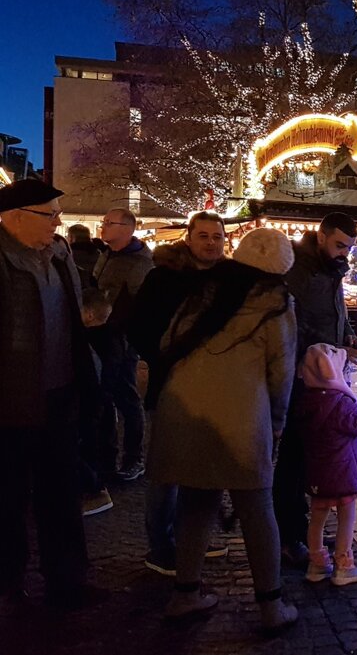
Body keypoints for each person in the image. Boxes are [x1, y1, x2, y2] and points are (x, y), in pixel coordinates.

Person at [147, 227, 298, 631]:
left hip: (184, 410)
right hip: (241, 421)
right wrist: (277, 427)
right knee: (257, 510)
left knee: (195, 503)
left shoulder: (204, 290)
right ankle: (271, 606)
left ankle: (185, 594)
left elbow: (166, 343)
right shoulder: (276, 303)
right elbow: (281, 374)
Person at [0, 179, 106, 608]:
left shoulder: (59, 254)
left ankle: (67, 580)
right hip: (9, 400)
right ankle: (8, 582)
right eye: (51, 214)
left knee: (61, 493)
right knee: (7, 496)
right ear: (14, 217)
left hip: (59, 394)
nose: (59, 222)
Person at [129, 211, 229, 576]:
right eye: (203, 236)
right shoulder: (163, 278)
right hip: (171, 388)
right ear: (189, 238)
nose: (210, 243)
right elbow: (138, 327)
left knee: (200, 471)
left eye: (216, 236)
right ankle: (160, 546)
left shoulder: (227, 280)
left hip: (213, 391)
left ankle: (193, 538)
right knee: (166, 472)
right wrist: (165, 359)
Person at [277, 212, 357, 567]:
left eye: (349, 248)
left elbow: (332, 313)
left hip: (325, 376)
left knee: (318, 455)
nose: (344, 253)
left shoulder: (329, 269)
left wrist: (346, 335)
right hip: (305, 377)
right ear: (322, 236)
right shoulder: (300, 269)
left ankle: (308, 530)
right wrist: (339, 350)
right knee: (295, 458)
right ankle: (289, 535)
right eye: (340, 245)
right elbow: (299, 327)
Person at [297, 343, 357, 584]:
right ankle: (343, 565)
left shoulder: (305, 401)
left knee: (317, 517)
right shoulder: (340, 403)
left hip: (317, 472)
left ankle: (316, 565)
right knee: (346, 517)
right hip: (343, 473)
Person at [94, 207, 153, 481]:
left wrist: (127, 333)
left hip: (123, 339)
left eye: (109, 223)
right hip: (103, 336)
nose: (103, 226)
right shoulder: (108, 255)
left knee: (127, 398)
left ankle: (134, 458)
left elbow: (143, 306)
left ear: (128, 229)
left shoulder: (139, 263)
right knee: (105, 395)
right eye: (104, 222)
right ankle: (106, 455)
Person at [79, 288, 114, 517]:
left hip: (88, 406)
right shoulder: (103, 339)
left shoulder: (90, 341)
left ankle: (95, 490)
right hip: (95, 406)